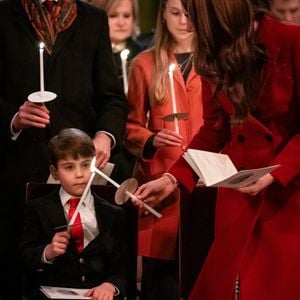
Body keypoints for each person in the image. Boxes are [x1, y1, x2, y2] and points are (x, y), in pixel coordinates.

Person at [132, 0, 300, 299]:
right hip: (238, 193)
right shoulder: (213, 54)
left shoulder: (291, 41)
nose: (191, 26)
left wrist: (278, 173)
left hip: (288, 195)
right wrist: (172, 179)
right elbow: (214, 129)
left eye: (196, 17)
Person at [0, 1, 127, 299]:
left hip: (77, 172)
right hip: (16, 173)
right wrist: (14, 118)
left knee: (74, 270)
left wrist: (105, 136)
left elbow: (111, 98)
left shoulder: (92, 19)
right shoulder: (5, 15)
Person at [125, 0, 205, 298]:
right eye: (175, 13)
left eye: (189, 13)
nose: (183, 21)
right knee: (161, 283)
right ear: (162, 15)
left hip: (203, 182)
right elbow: (131, 126)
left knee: (202, 274)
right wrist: (151, 138)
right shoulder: (145, 64)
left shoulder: (215, 62)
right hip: (161, 184)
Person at [20, 128, 127, 300]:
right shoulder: (38, 208)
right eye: (69, 167)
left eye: (86, 165)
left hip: (97, 294)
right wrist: (48, 252)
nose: (79, 174)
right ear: (55, 172)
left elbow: (122, 267)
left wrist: (110, 285)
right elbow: (24, 257)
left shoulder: (112, 213)